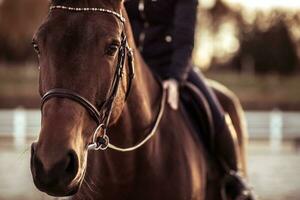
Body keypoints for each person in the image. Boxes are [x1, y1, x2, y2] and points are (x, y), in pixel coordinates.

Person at [125, 0, 254, 199]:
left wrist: (176, 79)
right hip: (130, 67)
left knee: (215, 110)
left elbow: (184, 40)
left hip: (171, 66)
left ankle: (234, 178)